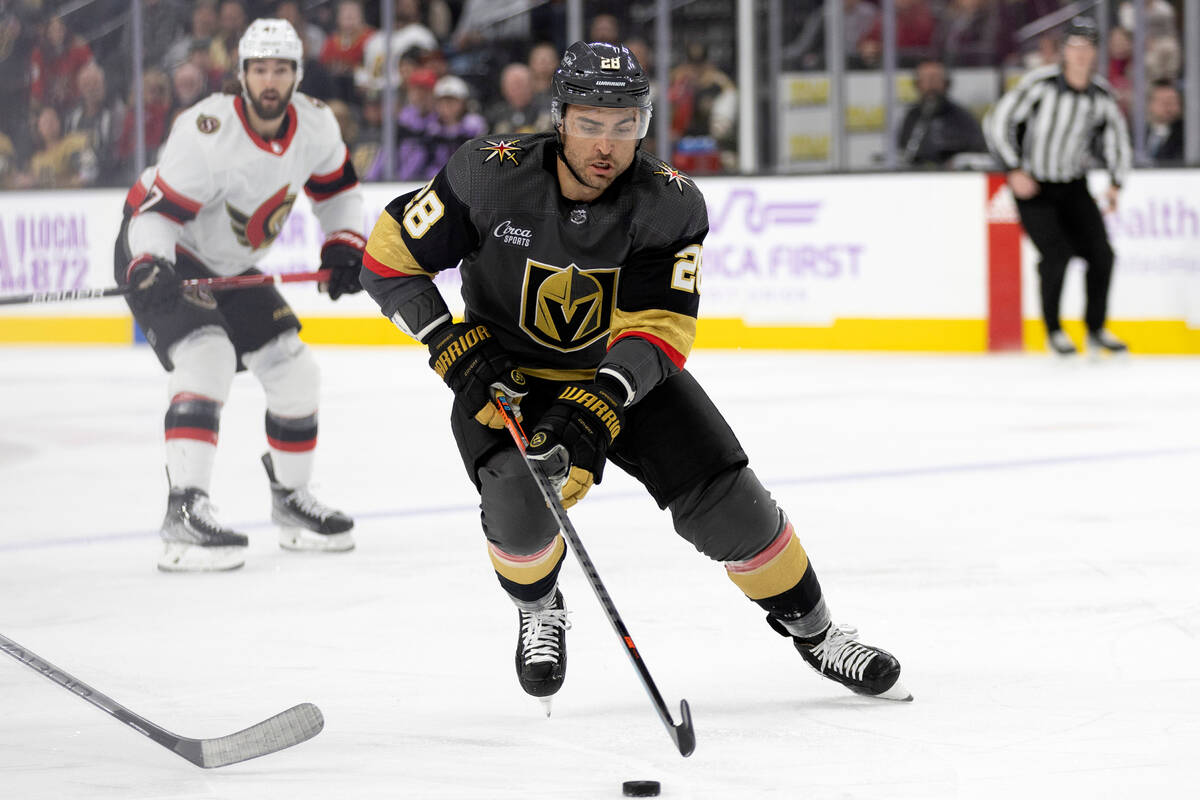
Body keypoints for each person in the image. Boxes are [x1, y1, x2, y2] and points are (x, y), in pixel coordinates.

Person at [359, 41, 911, 713]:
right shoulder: (488, 175)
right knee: (516, 502)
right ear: (559, 117)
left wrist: (599, 404)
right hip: (509, 377)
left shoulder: (668, 203)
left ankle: (818, 633)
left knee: (732, 507)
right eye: (592, 122)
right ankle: (539, 607)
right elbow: (388, 260)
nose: (607, 144)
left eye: (626, 125)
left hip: (622, 375)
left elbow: (660, 328)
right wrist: (452, 346)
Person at [115, 19, 365, 572]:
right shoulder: (205, 130)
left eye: (280, 69)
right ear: (242, 74)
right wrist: (150, 264)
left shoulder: (318, 126)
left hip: (230, 264)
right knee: (207, 355)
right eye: (259, 69)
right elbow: (157, 216)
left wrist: (345, 247)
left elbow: (341, 196)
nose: (270, 81)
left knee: (295, 370)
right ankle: (184, 510)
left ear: (297, 74)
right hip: (165, 250)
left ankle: (292, 503)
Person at [984, 17, 1131, 357]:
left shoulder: (1100, 95)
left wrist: (1115, 182)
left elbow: (1116, 139)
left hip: (1073, 184)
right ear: (1064, 50)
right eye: (1074, 46)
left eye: (1087, 46)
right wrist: (1013, 168)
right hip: (1035, 186)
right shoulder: (1040, 84)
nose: (1080, 54)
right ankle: (1054, 330)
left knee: (1102, 255)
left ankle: (1095, 329)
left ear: (1095, 52)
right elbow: (998, 120)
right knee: (1056, 254)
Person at [896, 59, 987, 166]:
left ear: (946, 83)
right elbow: (904, 149)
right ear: (917, 84)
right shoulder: (912, 117)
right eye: (926, 79)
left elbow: (977, 149)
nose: (931, 85)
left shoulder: (963, 117)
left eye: (935, 79)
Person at [1145, 80, 1183, 165]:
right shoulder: (1137, 135)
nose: (1168, 106)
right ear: (1150, 104)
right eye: (1162, 101)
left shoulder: (1188, 137)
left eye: (1172, 101)